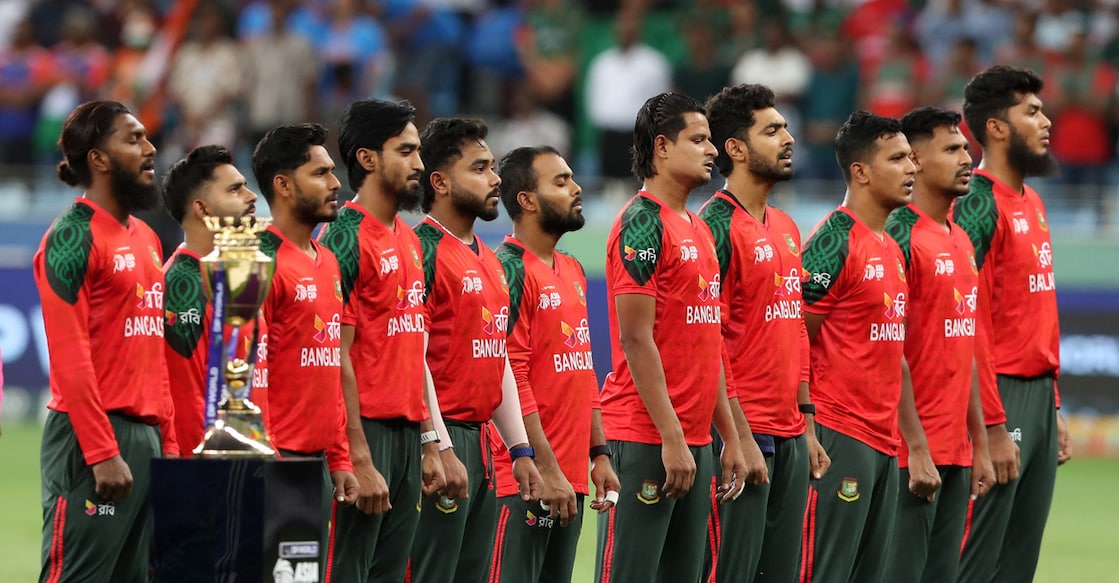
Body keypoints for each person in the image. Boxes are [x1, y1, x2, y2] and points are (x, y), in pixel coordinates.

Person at [595, 92, 754, 583]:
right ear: (661, 147)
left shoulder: (698, 228)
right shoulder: (642, 222)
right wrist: (671, 437)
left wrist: (730, 438)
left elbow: (711, 348)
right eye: (700, 140)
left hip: (695, 441)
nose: (713, 151)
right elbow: (636, 339)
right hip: (647, 438)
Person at [35, 100, 178, 582]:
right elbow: (69, 358)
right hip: (91, 441)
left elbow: (154, 355)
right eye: (134, 138)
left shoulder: (147, 239)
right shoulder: (71, 237)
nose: (150, 147)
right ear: (98, 158)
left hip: (146, 438)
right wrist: (101, 452)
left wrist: (170, 449)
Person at [698, 83, 830, 583]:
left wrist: (807, 421)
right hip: (739, 430)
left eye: (787, 128)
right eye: (772, 130)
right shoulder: (714, 227)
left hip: (790, 431)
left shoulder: (788, 227)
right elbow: (708, 340)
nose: (788, 138)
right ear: (735, 148)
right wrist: (736, 434)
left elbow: (796, 330)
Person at [316, 99, 448, 582]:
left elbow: (413, 353)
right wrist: (357, 456)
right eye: (407, 151)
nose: (420, 164)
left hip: (407, 435)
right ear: (368, 159)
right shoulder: (345, 237)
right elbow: (335, 354)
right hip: (363, 431)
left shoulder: (411, 241)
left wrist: (431, 442)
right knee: (345, 572)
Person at [409, 117, 543, 583]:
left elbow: (497, 354)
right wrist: (439, 445)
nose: (496, 179)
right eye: (480, 168)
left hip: (484, 442)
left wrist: (519, 448)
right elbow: (413, 356)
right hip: (440, 441)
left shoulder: (488, 257)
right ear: (440, 181)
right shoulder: (420, 250)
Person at [953, 65, 1071, 583]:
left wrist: (1056, 406)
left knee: (1020, 561)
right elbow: (962, 317)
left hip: (1039, 396)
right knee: (978, 557)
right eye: (1032, 111)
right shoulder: (977, 203)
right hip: (997, 394)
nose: (1046, 121)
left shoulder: (1035, 202)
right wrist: (992, 427)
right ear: (996, 128)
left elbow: (1035, 315)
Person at [798, 111, 926, 583]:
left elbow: (894, 355)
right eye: (897, 159)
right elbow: (796, 337)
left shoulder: (890, 247)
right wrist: (807, 427)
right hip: (837, 435)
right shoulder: (833, 241)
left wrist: (913, 443)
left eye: (912, 158)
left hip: (882, 440)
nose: (912, 168)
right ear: (861, 171)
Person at [487, 145, 621, 583]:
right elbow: (511, 375)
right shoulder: (507, 269)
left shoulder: (573, 269)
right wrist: (545, 467)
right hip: (524, 479)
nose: (577, 188)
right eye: (561, 182)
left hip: (570, 477)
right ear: (526, 199)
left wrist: (598, 453)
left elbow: (583, 370)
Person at [882, 107, 997, 582]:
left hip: (955, 448)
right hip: (907, 452)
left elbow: (963, 348)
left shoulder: (961, 240)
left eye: (965, 148)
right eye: (951, 149)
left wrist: (981, 443)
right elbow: (887, 353)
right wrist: (916, 446)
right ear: (916, 161)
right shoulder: (897, 235)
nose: (968, 157)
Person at [251, 123, 359, 578]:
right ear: (283, 184)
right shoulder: (255, 259)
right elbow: (247, 371)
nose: (336, 184)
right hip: (277, 463)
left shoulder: (327, 259)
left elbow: (329, 367)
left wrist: (339, 458)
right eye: (321, 173)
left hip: (315, 464)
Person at [159, 145, 266, 457]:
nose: (251, 197)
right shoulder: (183, 285)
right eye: (235, 190)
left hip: (252, 462)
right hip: (214, 473)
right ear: (202, 209)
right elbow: (186, 399)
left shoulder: (239, 278)